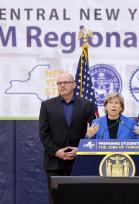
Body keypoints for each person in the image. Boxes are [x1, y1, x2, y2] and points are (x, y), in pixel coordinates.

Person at [39, 72, 96, 204]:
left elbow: (93, 132)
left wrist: (80, 149)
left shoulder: (86, 105)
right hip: (54, 162)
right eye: (59, 83)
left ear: (74, 85)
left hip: (79, 161)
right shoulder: (47, 105)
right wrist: (56, 151)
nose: (62, 85)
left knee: (79, 198)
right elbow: (43, 133)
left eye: (66, 82)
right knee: (56, 199)